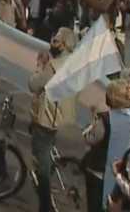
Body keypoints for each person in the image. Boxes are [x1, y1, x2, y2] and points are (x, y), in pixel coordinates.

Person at [30, 28, 79, 212]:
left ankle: (45, 205)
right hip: (65, 117)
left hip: (48, 119)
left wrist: (40, 66)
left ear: (65, 45)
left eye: (56, 41)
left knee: (41, 162)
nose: (52, 43)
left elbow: (34, 84)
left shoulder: (53, 66)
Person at [83, 79, 130, 212]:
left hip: (99, 171)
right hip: (122, 174)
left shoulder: (105, 119)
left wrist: (92, 122)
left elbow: (91, 138)